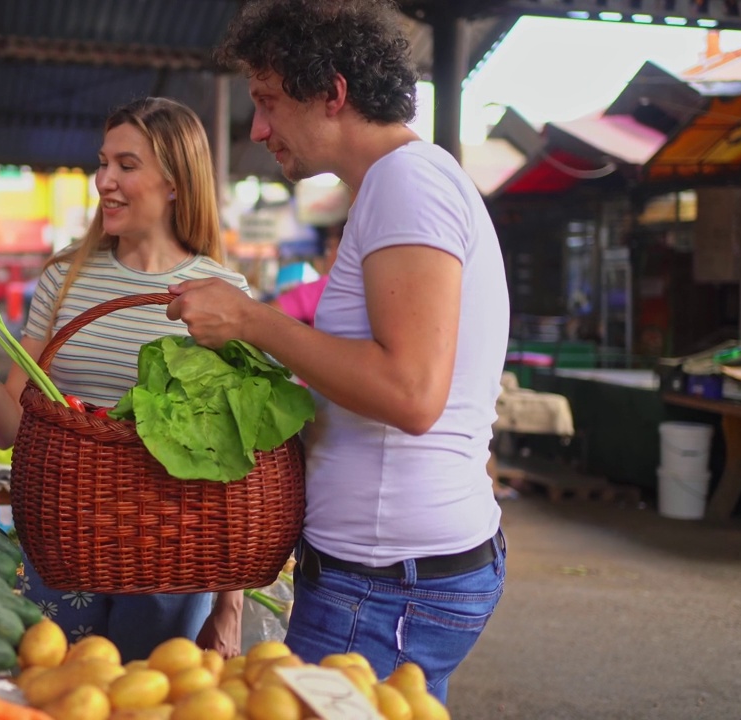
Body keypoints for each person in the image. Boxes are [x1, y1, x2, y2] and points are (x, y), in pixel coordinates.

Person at [165, 0, 509, 701]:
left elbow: (412, 394)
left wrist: (251, 322)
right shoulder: (398, 185)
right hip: (392, 576)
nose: (258, 128)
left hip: (386, 584)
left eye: (267, 101)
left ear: (334, 93)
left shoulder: (407, 183)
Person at [0, 97, 249, 662]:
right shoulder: (63, 279)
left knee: (145, 702)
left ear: (174, 182)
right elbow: (6, 430)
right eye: (102, 163)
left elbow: (233, 460)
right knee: (53, 691)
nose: (105, 182)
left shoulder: (221, 294)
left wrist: (229, 608)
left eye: (126, 165)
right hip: (62, 541)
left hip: (169, 554)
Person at [271, 223, 342, 326]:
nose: (328, 255)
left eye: (331, 248)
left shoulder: (325, 287)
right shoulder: (367, 291)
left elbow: (261, 316)